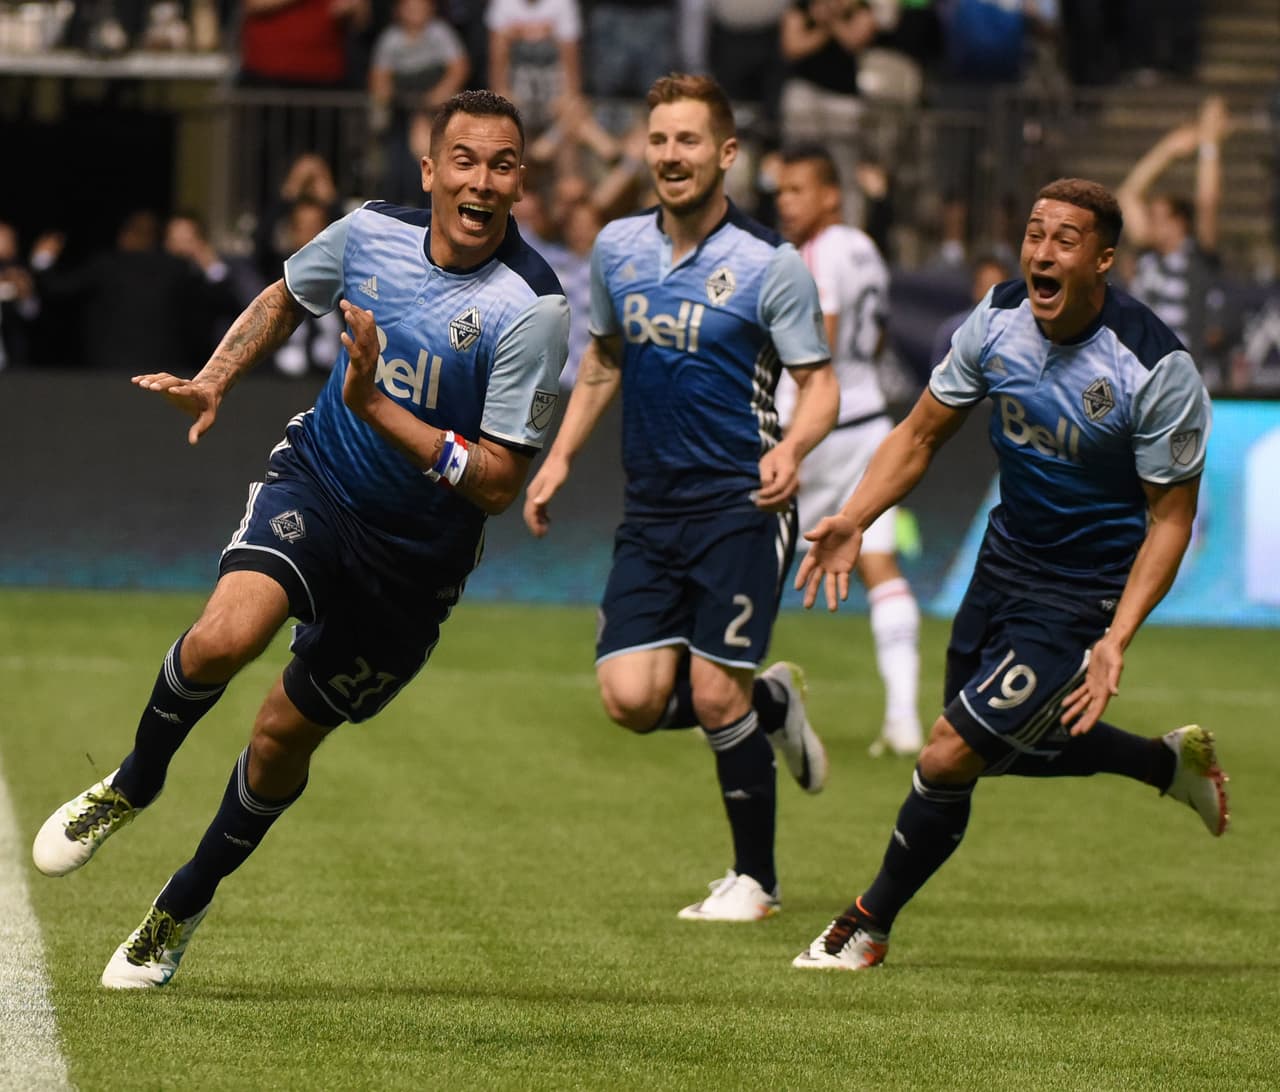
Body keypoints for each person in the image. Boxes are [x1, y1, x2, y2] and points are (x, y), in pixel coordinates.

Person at [32, 90, 569, 989]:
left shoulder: (533, 309)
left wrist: (376, 405)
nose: (481, 180)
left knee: (282, 735)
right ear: (431, 170)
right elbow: (286, 295)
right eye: (465, 159)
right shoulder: (369, 233)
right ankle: (133, 780)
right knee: (222, 639)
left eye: (503, 163)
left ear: (522, 181)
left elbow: (501, 483)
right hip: (321, 482)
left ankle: (182, 902)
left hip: (415, 564)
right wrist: (215, 379)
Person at [790, 177, 1230, 972]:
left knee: (948, 754)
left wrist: (1117, 636)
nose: (1043, 252)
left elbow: (1171, 518)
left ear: (1103, 260)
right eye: (1035, 234)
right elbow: (921, 434)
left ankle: (867, 924)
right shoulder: (994, 322)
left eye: (1066, 240)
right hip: (1001, 564)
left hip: (1078, 593)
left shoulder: (1155, 369)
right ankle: (1165, 764)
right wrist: (854, 518)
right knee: (993, 752)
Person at [523, 73, 839, 923]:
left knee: (708, 694)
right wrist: (557, 460)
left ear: (727, 154)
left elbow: (822, 384)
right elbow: (603, 360)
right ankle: (771, 701)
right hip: (653, 509)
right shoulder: (618, 249)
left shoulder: (771, 265)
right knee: (628, 700)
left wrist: (797, 450)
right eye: (659, 140)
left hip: (743, 502)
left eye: (688, 140)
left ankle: (756, 883)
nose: (670, 155)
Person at [773, 144, 922, 757]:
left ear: (830, 195)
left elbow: (820, 343)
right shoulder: (865, 248)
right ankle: (904, 717)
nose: (786, 202)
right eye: (781, 191)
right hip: (870, 423)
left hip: (817, 426)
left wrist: (791, 428)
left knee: (749, 555)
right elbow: (878, 332)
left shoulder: (819, 253)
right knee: (880, 565)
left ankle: (722, 700)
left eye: (798, 191)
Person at [1115, 95, 1227, 377]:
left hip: (1181, 381)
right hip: (1137, 379)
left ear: (1178, 223)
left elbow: (1207, 202)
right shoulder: (1147, 254)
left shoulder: (1197, 255)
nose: (1149, 223)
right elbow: (1127, 195)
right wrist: (1168, 151)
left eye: (1157, 217)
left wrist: (1209, 144)